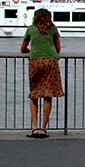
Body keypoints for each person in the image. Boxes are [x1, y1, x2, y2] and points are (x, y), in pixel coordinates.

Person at [21, 8, 64, 138]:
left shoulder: (31, 29)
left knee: (34, 94)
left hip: (36, 61)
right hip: (51, 61)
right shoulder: (53, 29)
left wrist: (33, 50)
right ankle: (44, 128)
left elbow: (23, 48)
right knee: (48, 95)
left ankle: (34, 128)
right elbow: (58, 48)